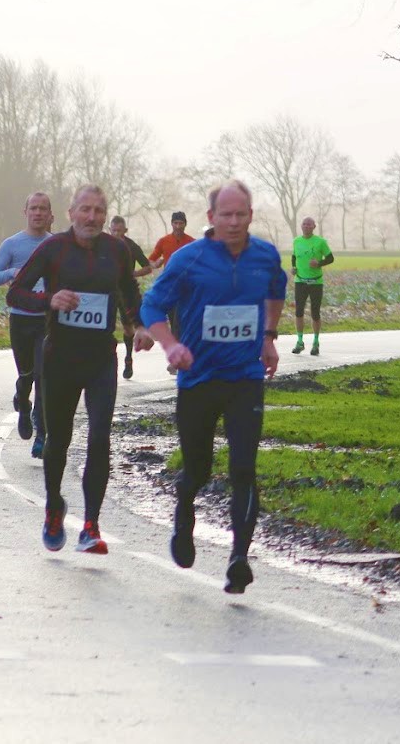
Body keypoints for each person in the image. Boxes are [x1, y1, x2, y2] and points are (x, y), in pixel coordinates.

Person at [140, 179, 286, 595]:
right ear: (211, 218)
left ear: (251, 216)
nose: (234, 222)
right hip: (199, 379)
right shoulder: (189, 259)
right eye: (226, 214)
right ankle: (184, 514)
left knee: (244, 468)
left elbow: (277, 290)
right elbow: (152, 304)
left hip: (245, 378)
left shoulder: (265, 256)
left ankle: (239, 559)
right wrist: (170, 345)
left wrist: (268, 336)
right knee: (198, 470)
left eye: (242, 214)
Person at [8, 185, 153, 555]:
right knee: (58, 440)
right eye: (85, 210)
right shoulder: (54, 248)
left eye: (99, 210)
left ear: (105, 215)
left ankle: (91, 524)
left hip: (101, 359)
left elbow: (128, 292)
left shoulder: (117, 250)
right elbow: (16, 292)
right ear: (70, 213)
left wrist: (138, 325)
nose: (92, 217)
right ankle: (54, 505)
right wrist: (48, 300)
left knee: (100, 437)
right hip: (59, 358)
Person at [0, 193, 53, 457]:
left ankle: (42, 433)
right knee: (26, 374)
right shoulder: (12, 244)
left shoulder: (56, 244)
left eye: (43, 209)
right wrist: (13, 273)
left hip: (47, 320)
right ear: (25, 211)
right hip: (20, 318)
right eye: (33, 208)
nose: (38, 213)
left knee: (43, 376)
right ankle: (23, 405)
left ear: (50, 214)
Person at [150, 211, 196, 372]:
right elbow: (152, 259)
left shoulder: (192, 242)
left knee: (179, 322)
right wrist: (156, 264)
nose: (178, 226)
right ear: (171, 224)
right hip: (170, 288)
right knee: (174, 322)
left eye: (181, 223)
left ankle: (177, 359)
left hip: (186, 288)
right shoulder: (164, 241)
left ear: (185, 224)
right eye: (175, 223)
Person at [109, 215, 152, 379]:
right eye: (114, 231)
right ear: (109, 230)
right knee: (107, 328)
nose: (116, 234)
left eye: (120, 231)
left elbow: (147, 267)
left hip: (126, 292)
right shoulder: (103, 244)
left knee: (128, 328)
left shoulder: (132, 247)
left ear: (125, 231)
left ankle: (128, 357)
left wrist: (133, 273)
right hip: (108, 291)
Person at [290, 216, 334, 355]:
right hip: (300, 281)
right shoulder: (296, 241)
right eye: (304, 224)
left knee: (315, 312)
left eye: (309, 224)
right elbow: (294, 257)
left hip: (316, 282)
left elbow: (331, 258)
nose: (307, 226)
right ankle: (300, 341)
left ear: (314, 227)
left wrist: (319, 264)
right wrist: (293, 268)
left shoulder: (320, 242)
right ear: (301, 226)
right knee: (298, 312)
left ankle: (315, 343)